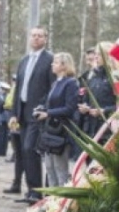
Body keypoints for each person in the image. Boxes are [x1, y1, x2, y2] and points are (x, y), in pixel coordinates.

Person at [6, 26, 55, 203]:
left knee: (30, 149)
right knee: (23, 152)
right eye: (33, 35)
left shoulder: (50, 60)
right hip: (23, 111)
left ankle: (36, 191)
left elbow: (52, 87)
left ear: (45, 39)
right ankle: (31, 191)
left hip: (38, 113)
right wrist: (14, 113)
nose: (35, 38)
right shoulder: (24, 60)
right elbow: (18, 88)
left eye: (39, 36)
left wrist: (44, 108)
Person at [33, 52, 79, 187]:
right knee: (49, 168)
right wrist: (42, 109)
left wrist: (48, 113)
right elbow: (50, 104)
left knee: (60, 169)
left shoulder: (71, 83)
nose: (52, 65)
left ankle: (62, 203)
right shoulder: (55, 83)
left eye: (56, 62)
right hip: (50, 131)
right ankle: (51, 203)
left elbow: (70, 108)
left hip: (62, 131)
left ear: (64, 66)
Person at [77, 42, 117, 145]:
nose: (95, 57)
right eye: (95, 54)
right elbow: (86, 98)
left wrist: (104, 111)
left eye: (98, 54)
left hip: (107, 129)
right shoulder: (93, 76)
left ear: (107, 55)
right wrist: (85, 106)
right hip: (91, 129)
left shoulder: (116, 77)